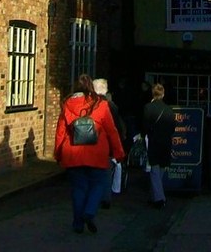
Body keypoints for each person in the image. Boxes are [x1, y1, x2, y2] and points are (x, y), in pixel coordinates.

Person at [54, 74, 125, 234]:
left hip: (73, 153)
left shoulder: (67, 105)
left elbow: (60, 132)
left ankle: (78, 223)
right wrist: (118, 152)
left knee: (78, 188)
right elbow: (111, 131)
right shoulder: (101, 105)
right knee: (98, 184)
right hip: (97, 153)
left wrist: (58, 153)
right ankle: (90, 212)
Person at [142, 82, 176, 208]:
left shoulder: (148, 108)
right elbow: (173, 128)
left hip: (154, 141)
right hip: (166, 142)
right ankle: (154, 195)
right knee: (160, 170)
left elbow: (145, 126)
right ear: (163, 94)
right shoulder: (169, 110)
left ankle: (159, 199)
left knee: (154, 170)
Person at [93, 78, 126, 206]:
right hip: (106, 145)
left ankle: (94, 197)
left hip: (90, 143)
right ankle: (105, 198)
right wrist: (118, 148)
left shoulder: (90, 104)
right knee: (106, 171)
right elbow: (115, 129)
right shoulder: (111, 106)